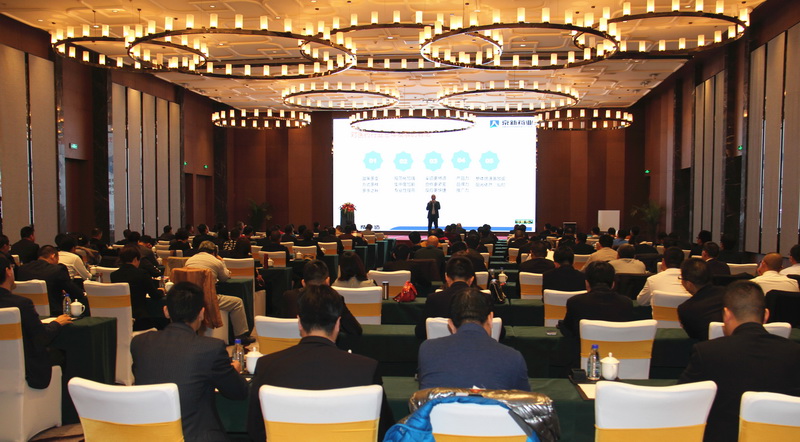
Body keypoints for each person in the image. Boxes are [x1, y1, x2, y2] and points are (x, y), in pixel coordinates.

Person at [247, 284, 393, 442]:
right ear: (338, 324)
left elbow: (256, 431)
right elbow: (383, 432)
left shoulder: (266, 365)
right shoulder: (367, 369)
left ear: (299, 322)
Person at [678, 281, 800, 442]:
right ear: (766, 315)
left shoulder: (707, 352)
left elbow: (683, 401)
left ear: (726, 315)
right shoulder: (794, 352)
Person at [131, 281, 248, 442]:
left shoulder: (140, 343)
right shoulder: (211, 348)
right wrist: (233, 370)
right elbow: (238, 392)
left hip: (149, 435)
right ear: (201, 313)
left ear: (166, 311)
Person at [417, 287, 529, 391]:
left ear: (450, 325)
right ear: (490, 319)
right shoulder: (513, 358)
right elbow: (524, 403)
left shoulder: (427, 350)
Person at [0, 255, 72, 389]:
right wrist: (57, 323)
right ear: (8, 272)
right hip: (28, 372)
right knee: (62, 354)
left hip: (5, 370)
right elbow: (41, 337)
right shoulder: (21, 304)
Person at [184, 241, 253, 344]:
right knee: (237, 302)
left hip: (191, 298)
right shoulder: (215, 261)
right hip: (208, 299)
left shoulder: (189, 260)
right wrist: (222, 262)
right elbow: (225, 277)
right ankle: (241, 336)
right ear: (214, 252)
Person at [278, 259, 362, 339]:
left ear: (303, 283)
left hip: (293, 347)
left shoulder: (289, 297)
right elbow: (355, 330)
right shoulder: (335, 298)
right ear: (328, 281)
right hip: (324, 347)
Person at [558, 261, 633, 338]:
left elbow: (568, 330)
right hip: (616, 345)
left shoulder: (575, 302)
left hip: (583, 345)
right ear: (613, 284)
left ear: (587, 283)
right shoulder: (626, 303)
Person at [415, 256, 476, 339]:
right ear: (471, 279)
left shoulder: (434, 299)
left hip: (439, 346)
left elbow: (420, 332)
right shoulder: (484, 299)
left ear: (446, 277)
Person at [17, 245, 86, 315]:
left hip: (26, 313)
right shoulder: (57, 270)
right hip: (53, 313)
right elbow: (76, 293)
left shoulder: (22, 269)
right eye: (57, 259)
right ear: (53, 256)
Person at [110, 246, 166, 331]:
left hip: (121, 319)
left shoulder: (114, 275)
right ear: (136, 259)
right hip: (140, 318)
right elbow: (154, 295)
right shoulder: (142, 274)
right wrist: (161, 291)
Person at [677, 258, 725, 341]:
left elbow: (693, 337)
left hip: (707, 346)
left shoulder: (685, 309)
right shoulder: (728, 292)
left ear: (689, 284)